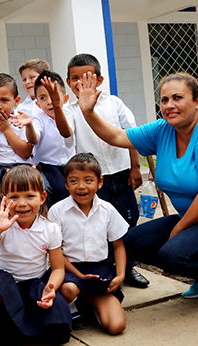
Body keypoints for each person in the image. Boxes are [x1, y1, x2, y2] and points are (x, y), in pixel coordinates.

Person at [76, 71, 198, 313]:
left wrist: (177, 233)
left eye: (178, 97)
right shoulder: (162, 131)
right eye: (164, 100)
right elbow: (116, 136)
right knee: (131, 242)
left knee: (173, 254)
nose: (170, 105)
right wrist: (88, 112)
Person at [45, 53, 149, 289]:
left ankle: (128, 268)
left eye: (87, 77)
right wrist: (58, 106)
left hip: (122, 175)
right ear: (69, 83)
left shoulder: (114, 103)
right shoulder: (70, 109)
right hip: (93, 182)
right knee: (98, 225)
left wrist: (135, 168)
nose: (80, 83)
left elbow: (130, 136)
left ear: (99, 80)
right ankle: (108, 270)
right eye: (74, 79)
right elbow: (65, 132)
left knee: (126, 223)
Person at [0, 166, 71, 345]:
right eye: (14, 197)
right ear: (4, 199)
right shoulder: (1, 225)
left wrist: (51, 287)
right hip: (7, 287)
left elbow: (58, 269)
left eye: (29, 196)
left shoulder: (50, 228)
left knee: (58, 334)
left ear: (42, 197)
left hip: (36, 284)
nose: (22, 203)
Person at [48, 153, 127, 334]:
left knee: (117, 327)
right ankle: (73, 310)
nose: (81, 186)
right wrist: (79, 275)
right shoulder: (58, 211)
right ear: (66, 184)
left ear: (100, 182)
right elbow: (55, 252)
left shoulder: (107, 210)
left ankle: (89, 300)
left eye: (88, 180)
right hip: (69, 270)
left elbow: (118, 245)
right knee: (68, 289)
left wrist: (121, 275)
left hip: (100, 271)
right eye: (74, 181)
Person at [18, 71, 74, 204]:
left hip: (70, 164)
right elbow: (34, 139)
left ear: (65, 99)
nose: (50, 102)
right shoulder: (39, 119)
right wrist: (29, 125)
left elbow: (67, 132)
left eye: (54, 96)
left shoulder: (70, 114)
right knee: (61, 188)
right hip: (47, 165)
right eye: (43, 98)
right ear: (37, 104)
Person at [0, 73, 33, 185]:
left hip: (25, 165)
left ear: (16, 101)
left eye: (4, 100)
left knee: (43, 187)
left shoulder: (21, 119)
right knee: (3, 189)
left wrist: (6, 129)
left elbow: (25, 153)